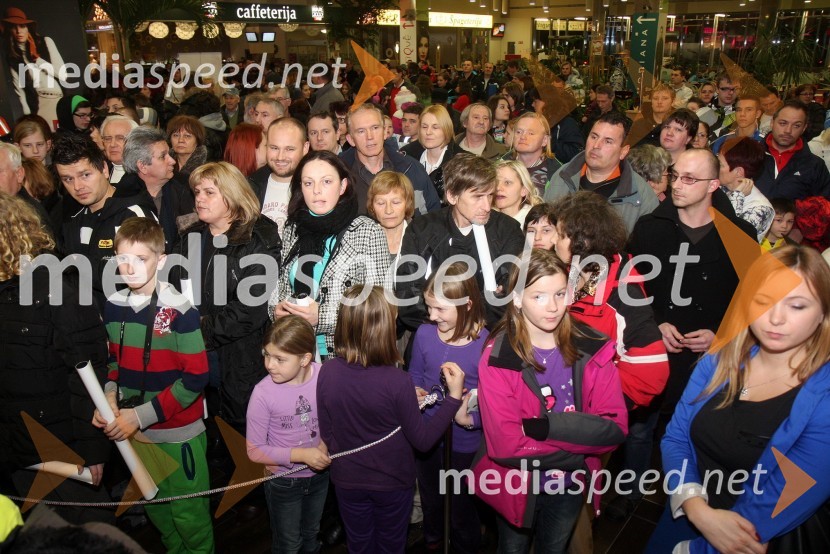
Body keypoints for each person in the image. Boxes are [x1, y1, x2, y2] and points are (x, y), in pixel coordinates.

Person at [646, 245, 830, 554]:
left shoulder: (822, 396)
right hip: (683, 514)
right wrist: (696, 508)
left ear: (823, 313)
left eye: (797, 306)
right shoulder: (718, 361)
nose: (775, 318)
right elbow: (676, 438)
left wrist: (692, 549)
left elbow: (778, 503)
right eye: (763, 301)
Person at [472, 248, 628, 553]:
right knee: (512, 548)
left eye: (559, 294)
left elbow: (614, 428)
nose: (553, 307)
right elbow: (505, 445)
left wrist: (542, 427)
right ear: (517, 299)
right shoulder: (499, 356)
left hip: (568, 488)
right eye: (539, 296)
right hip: (516, 485)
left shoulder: (592, 348)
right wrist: (578, 453)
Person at [93, 218, 213, 553]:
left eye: (141, 259)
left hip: (178, 434)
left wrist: (140, 416)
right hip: (137, 434)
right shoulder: (114, 306)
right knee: (157, 509)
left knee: (190, 517)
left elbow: (195, 378)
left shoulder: (180, 310)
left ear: (160, 261)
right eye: (122, 260)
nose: (130, 268)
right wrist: (109, 397)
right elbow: (115, 363)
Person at [317, 285, 465, 553]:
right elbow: (423, 440)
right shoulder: (397, 381)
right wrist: (453, 399)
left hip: (347, 481)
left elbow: (327, 433)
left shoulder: (326, 372)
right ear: (382, 329)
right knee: (391, 546)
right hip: (392, 484)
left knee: (359, 545)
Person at [551, 193, 669, 524]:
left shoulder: (622, 293)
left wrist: (602, 411)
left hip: (588, 425)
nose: (553, 241)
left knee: (573, 516)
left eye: (559, 234)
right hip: (560, 413)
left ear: (581, 240)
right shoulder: (573, 275)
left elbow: (652, 374)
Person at [0, 194, 112, 525]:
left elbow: (88, 369)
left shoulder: (53, 286)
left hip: (60, 444)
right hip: (13, 447)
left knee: (92, 536)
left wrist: (93, 450)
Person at [169, 162, 281, 432]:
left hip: (240, 360)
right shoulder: (190, 237)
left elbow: (249, 311)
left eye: (209, 192)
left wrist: (195, 329)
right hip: (193, 359)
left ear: (231, 196)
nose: (199, 199)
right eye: (197, 192)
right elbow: (170, 291)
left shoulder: (258, 240)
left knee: (241, 440)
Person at [269, 150, 390, 358]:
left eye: (326, 182)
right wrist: (276, 310)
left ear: (342, 186)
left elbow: (378, 307)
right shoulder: (293, 228)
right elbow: (281, 286)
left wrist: (321, 316)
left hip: (346, 355)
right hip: (296, 351)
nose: (316, 191)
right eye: (308, 183)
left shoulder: (367, 231)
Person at [410, 262, 489, 553]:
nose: (432, 316)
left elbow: (492, 403)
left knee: (459, 502)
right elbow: (415, 374)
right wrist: (415, 390)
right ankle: (433, 540)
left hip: (464, 442)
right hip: (427, 433)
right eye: (429, 307)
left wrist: (470, 419)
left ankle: (466, 545)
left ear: (467, 305)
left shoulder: (485, 345)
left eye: (441, 309)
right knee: (430, 496)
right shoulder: (424, 334)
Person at [397, 153, 525, 330]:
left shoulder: (508, 230)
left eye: (490, 196)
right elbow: (408, 299)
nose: (487, 206)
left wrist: (463, 324)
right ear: (452, 196)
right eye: (477, 196)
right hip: (432, 330)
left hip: (486, 335)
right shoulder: (422, 229)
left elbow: (509, 299)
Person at [246, 316, 330, 554]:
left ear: (305, 359)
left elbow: (334, 418)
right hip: (283, 482)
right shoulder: (263, 393)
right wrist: (303, 454)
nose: (270, 365)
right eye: (266, 354)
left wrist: (323, 445)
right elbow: (254, 450)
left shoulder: (324, 377)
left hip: (319, 477)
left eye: (280, 359)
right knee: (288, 544)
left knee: (312, 533)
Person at [53, 133, 156, 306]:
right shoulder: (72, 219)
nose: (77, 187)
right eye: (68, 179)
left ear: (104, 169)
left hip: (129, 322)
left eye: (85, 175)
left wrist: (77, 266)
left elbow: (140, 276)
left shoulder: (133, 215)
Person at [545, 111, 659, 235]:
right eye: (594, 137)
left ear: (623, 151)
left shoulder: (641, 195)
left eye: (608, 141)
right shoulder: (563, 176)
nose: (596, 145)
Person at [340, 103, 441, 216]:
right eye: (361, 131)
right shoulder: (338, 174)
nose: (370, 137)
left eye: (375, 128)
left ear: (384, 132)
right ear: (350, 139)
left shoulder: (412, 169)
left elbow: (433, 218)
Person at [121, 126, 194, 252]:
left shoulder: (185, 189)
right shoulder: (123, 199)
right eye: (163, 156)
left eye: (169, 154)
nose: (172, 161)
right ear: (143, 166)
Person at [2, 7, 64, 130]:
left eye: (22, 26)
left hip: (57, 100)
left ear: (28, 28)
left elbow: (63, 75)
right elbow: (21, 93)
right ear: (10, 30)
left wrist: (38, 59)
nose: (18, 31)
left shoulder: (46, 42)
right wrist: (28, 117)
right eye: (14, 27)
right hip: (39, 106)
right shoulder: (14, 58)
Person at [755, 100, 830, 200]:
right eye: (783, 123)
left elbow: (824, 207)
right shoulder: (750, 155)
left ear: (804, 128)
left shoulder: (815, 166)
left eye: (796, 126)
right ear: (772, 123)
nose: (788, 130)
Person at [250, 118, 309, 235]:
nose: (280, 157)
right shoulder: (249, 186)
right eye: (274, 148)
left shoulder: (317, 189)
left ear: (305, 148)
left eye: (289, 149)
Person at [402, 104, 466, 203]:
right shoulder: (406, 156)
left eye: (435, 127)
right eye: (424, 127)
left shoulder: (462, 162)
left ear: (446, 129)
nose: (428, 132)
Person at [717, 136, 774, 242]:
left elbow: (733, 240)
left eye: (720, 164)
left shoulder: (761, 208)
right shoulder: (717, 187)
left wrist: (737, 197)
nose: (715, 167)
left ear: (738, 172)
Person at [503, 111, 562, 197]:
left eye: (530, 133)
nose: (523, 137)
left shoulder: (558, 174)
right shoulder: (500, 166)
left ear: (545, 140)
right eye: (519, 132)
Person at [367, 171, 414, 262]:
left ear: (408, 203)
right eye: (381, 203)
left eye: (396, 202)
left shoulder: (422, 240)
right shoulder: (361, 242)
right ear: (372, 206)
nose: (388, 210)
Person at [493, 159, 542, 226]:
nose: (498, 188)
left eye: (507, 183)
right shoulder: (486, 218)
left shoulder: (535, 221)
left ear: (524, 190)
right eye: (496, 182)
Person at [166, 115, 208, 183]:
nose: (180, 140)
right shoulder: (164, 164)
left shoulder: (205, 170)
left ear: (197, 140)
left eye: (187, 136)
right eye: (176, 135)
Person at [100, 115, 138, 185]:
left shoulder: (143, 173)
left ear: (135, 141)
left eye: (120, 138)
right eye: (108, 139)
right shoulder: (100, 171)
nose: (112, 144)